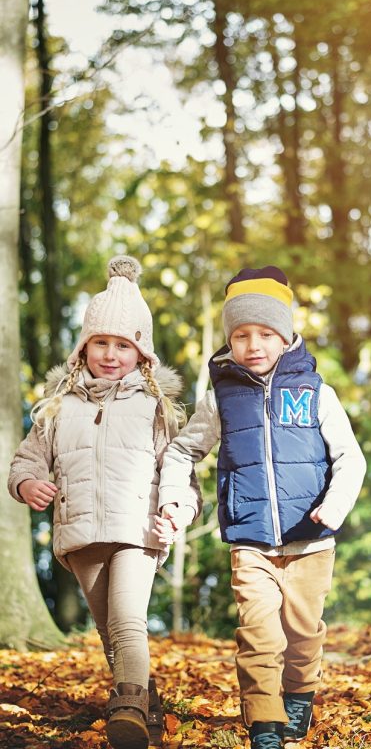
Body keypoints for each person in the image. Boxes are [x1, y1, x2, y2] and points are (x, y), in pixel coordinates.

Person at [156, 266, 367, 749]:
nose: (254, 344)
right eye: (241, 334)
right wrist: (174, 500)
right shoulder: (220, 401)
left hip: (311, 540)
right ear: (229, 341)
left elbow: (350, 459)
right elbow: (182, 451)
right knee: (258, 636)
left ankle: (299, 696)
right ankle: (265, 724)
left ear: (286, 335)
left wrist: (334, 507)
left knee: (303, 632)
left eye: (266, 333)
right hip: (250, 541)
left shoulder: (316, 394)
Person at [8, 256, 201, 749]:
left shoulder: (155, 409)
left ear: (142, 354)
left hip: (137, 530)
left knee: (128, 620)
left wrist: (174, 511)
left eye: (123, 345)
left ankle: (129, 706)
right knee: (107, 628)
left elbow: (181, 472)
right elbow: (25, 463)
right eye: (101, 343)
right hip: (81, 533)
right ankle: (145, 707)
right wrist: (29, 486)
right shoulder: (58, 407)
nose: (111, 354)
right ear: (84, 348)